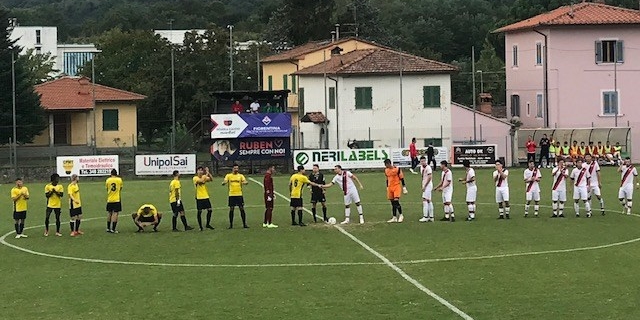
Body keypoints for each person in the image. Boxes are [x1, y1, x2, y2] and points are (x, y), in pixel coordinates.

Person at [222, 164, 249, 229]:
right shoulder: (228, 175)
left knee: (241, 208)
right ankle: (231, 225)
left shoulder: (240, 176)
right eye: (235, 168)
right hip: (232, 194)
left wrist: (245, 182)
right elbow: (225, 181)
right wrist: (224, 182)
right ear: (232, 169)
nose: (236, 169)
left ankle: (244, 224)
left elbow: (244, 181)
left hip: (239, 194)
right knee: (231, 209)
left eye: (237, 168)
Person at [384, 159, 408, 223]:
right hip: (390, 187)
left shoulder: (397, 169)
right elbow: (387, 179)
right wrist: (387, 187)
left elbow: (402, 178)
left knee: (396, 201)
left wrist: (404, 187)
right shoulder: (386, 170)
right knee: (392, 203)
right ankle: (394, 217)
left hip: (396, 186)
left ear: (389, 164)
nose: (385, 166)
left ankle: (401, 215)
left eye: (386, 165)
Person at [193, 166, 214, 230]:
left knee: (210, 210)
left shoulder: (204, 176)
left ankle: (207, 224)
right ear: (197, 171)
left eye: (201, 170)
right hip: (199, 197)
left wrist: (208, 173)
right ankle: (200, 226)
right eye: (199, 170)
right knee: (199, 212)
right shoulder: (195, 178)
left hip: (205, 196)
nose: (200, 171)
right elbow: (201, 181)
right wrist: (206, 175)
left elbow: (211, 179)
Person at [105, 169, 123, 234]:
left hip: (109, 199)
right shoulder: (119, 180)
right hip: (117, 199)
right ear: (116, 174)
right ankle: (113, 229)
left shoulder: (108, 180)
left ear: (111, 174)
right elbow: (120, 188)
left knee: (109, 213)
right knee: (115, 213)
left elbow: (107, 188)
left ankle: (108, 228)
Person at [419, 156, 434, 222]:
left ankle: (425, 216)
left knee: (425, 199)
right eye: (421, 161)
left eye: (424, 161)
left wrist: (425, 186)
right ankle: (431, 216)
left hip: (428, 185)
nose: (423, 162)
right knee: (428, 200)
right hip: (425, 184)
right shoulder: (421, 167)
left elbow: (430, 177)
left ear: (426, 161)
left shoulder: (428, 168)